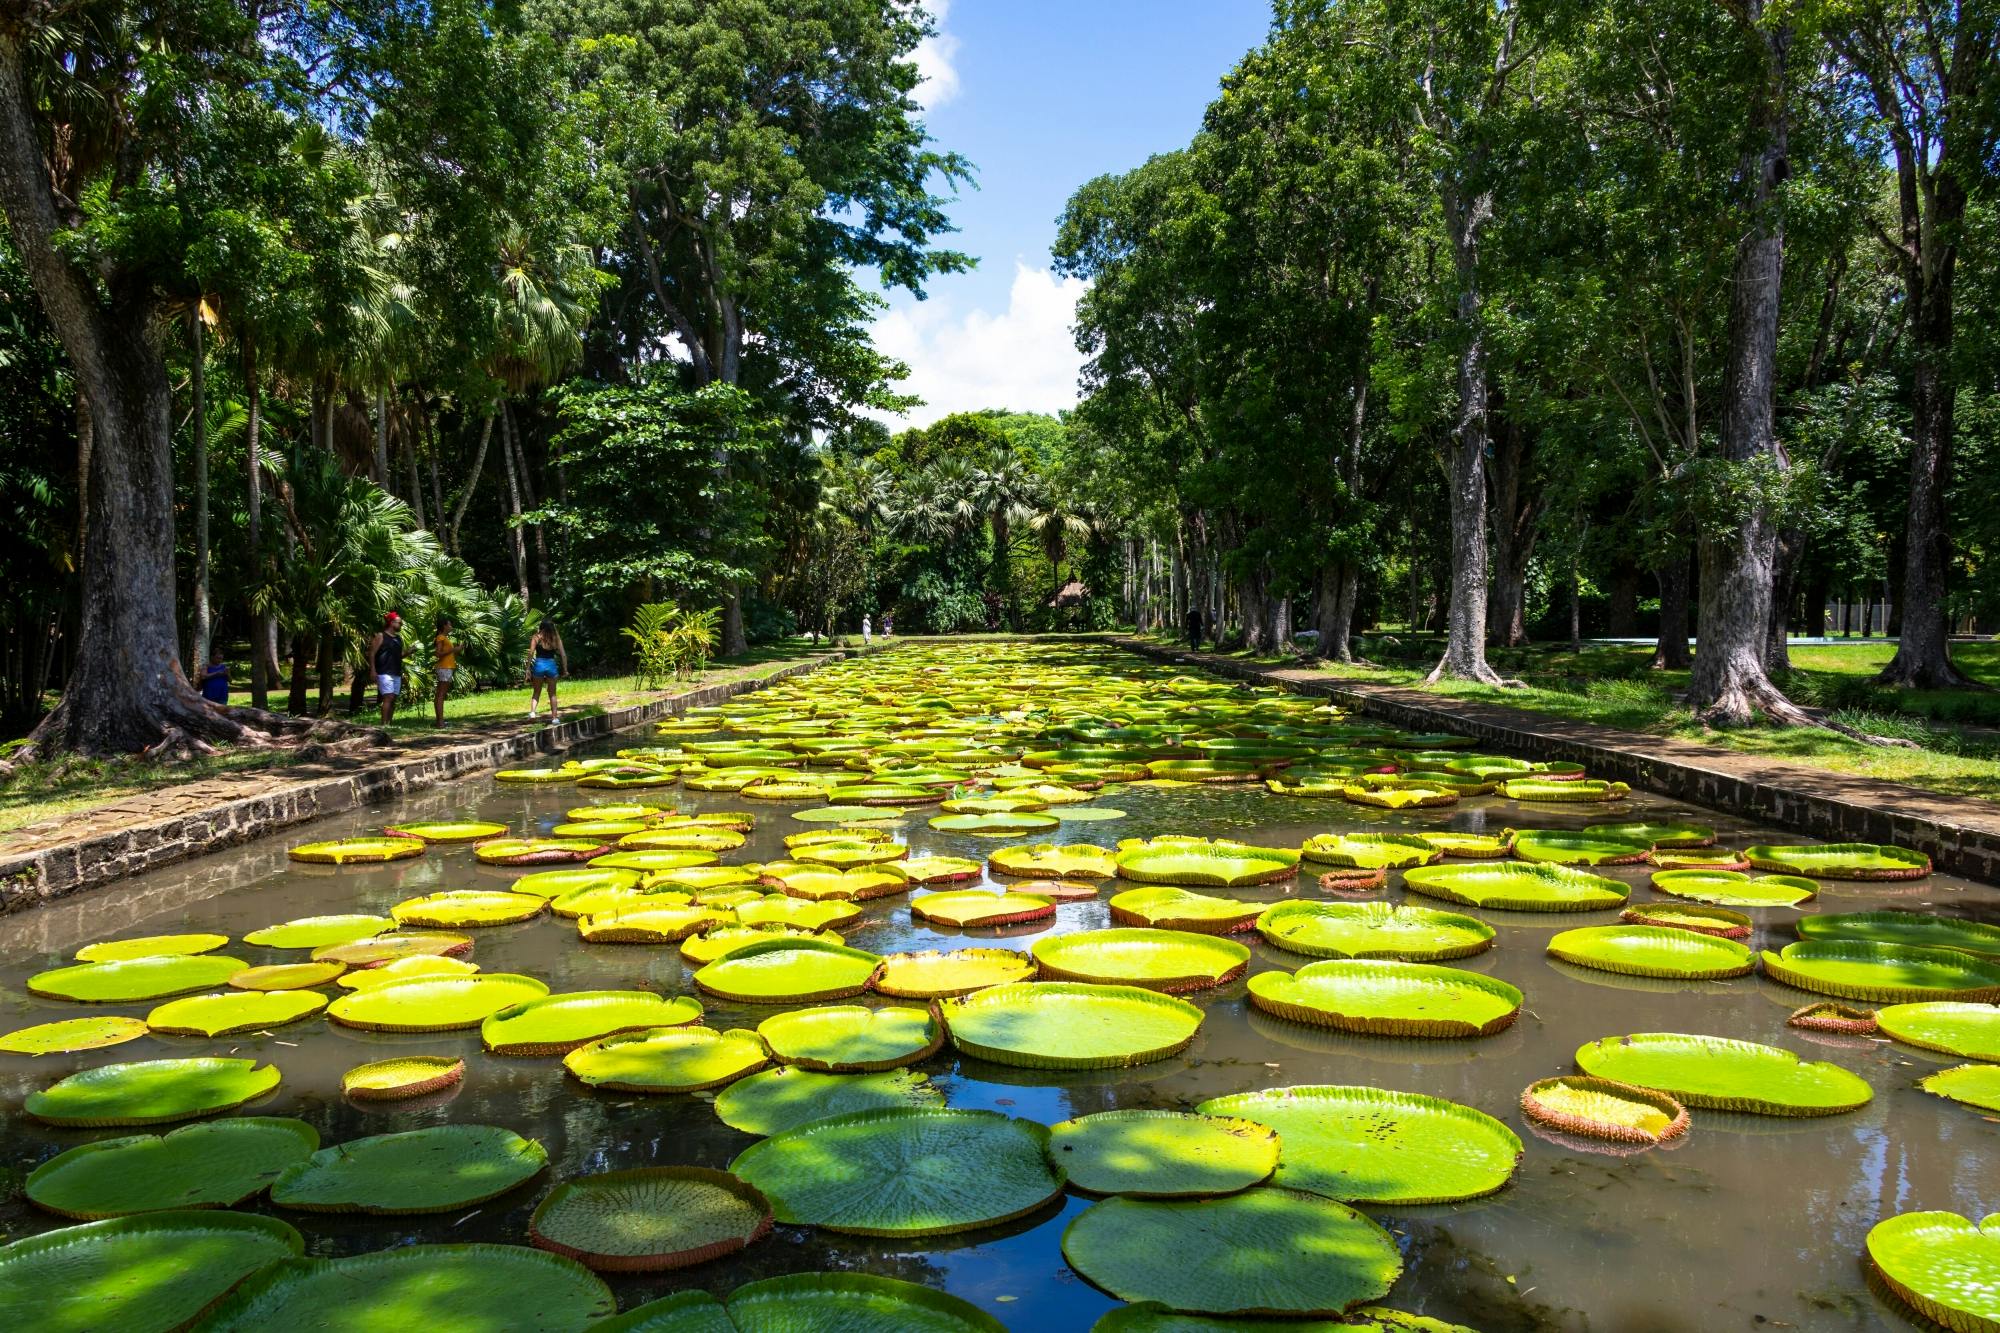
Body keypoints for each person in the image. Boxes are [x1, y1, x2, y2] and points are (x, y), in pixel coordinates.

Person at [367, 612, 405, 724]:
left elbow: (399, 655)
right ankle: (384, 724)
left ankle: (389, 723)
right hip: (384, 672)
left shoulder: (398, 638)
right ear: (392, 623)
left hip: (396, 672)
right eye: (400, 623)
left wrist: (409, 651)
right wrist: (372, 670)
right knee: (388, 697)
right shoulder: (381, 636)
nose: (401, 625)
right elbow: (372, 653)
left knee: (393, 699)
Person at [527, 619, 567, 723]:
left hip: (539, 665)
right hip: (551, 665)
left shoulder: (536, 637)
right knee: (552, 694)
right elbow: (563, 654)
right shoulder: (556, 638)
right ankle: (554, 718)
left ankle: (532, 712)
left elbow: (531, 653)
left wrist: (527, 669)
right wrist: (565, 670)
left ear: (541, 627)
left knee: (536, 692)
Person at [432, 617, 458, 727]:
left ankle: (440, 721)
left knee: (440, 694)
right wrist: (452, 649)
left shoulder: (445, 638)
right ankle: (440, 722)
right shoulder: (441, 637)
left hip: (447, 667)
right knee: (441, 695)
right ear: (444, 626)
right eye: (450, 625)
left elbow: (448, 654)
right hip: (444, 668)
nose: (451, 627)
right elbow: (438, 654)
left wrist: (456, 650)